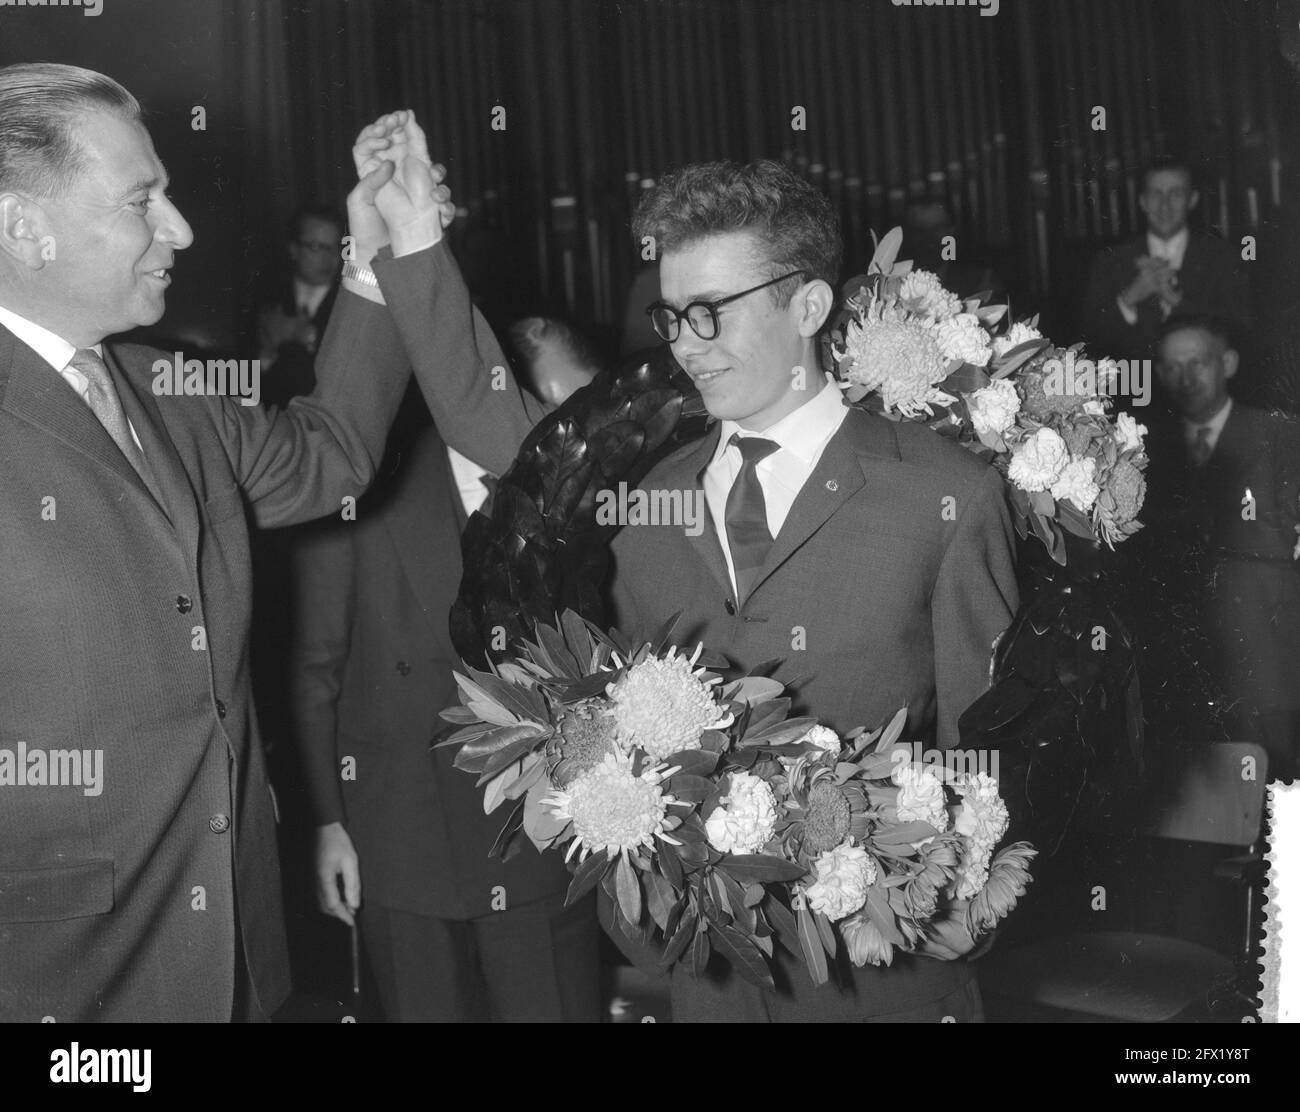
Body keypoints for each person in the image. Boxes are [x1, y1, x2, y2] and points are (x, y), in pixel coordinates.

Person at [369, 137, 1018, 1022]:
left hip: (886, 993)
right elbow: (487, 415)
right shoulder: (635, 497)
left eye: (712, 310)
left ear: (810, 305)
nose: (688, 344)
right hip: (706, 987)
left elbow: (999, 762)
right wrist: (412, 236)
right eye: (673, 316)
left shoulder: (946, 495)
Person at [0, 63, 442, 1022]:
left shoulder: (170, 388)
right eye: (142, 199)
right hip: (60, 974)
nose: (181, 230)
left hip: (236, 951)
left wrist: (374, 257)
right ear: (21, 227)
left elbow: (334, 457)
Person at [292, 338, 600, 1023]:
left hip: (543, 842)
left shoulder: (581, 496)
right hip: (402, 842)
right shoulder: (357, 490)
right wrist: (325, 824)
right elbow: (313, 677)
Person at [1142, 315, 1300, 781]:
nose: (1185, 378)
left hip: (1267, 661)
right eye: (1171, 367)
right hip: (1184, 668)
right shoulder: (1147, 445)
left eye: (1199, 362)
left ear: (1228, 362)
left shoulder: (1280, 435)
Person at [1081, 158, 1254, 365]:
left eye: (1176, 193)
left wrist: (1175, 300)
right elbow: (1090, 341)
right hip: (1133, 386)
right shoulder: (1110, 260)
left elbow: (1241, 332)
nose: (1165, 205)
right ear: (1143, 201)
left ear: (1193, 200)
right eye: (1156, 194)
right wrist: (1129, 298)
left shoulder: (1224, 258)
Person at [252, 203, 344, 408]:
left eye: (335, 247)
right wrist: (267, 351)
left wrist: (309, 335)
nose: (329, 258)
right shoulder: (265, 297)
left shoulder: (349, 301)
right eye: (315, 247)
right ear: (294, 250)